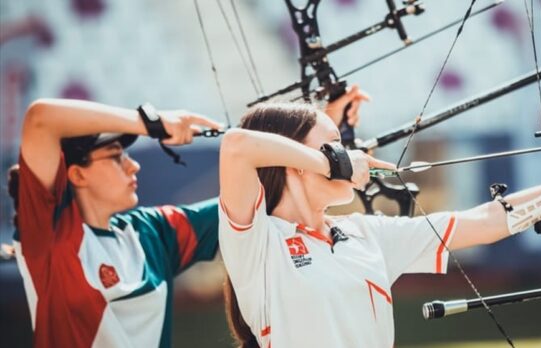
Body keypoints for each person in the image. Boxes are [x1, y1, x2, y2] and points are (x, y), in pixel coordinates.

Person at [218, 102, 541, 348]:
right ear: (293, 160)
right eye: (334, 145)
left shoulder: (366, 235)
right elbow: (237, 146)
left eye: (343, 146)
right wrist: (334, 161)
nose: (348, 153)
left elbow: (487, 220)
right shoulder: (258, 242)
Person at [6, 87, 368, 348]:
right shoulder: (50, 235)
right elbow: (40, 119)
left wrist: (324, 134)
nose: (132, 164)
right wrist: (152, 124)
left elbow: (265, 191)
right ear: (76, 174)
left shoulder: (152, 232)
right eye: (115, 156)